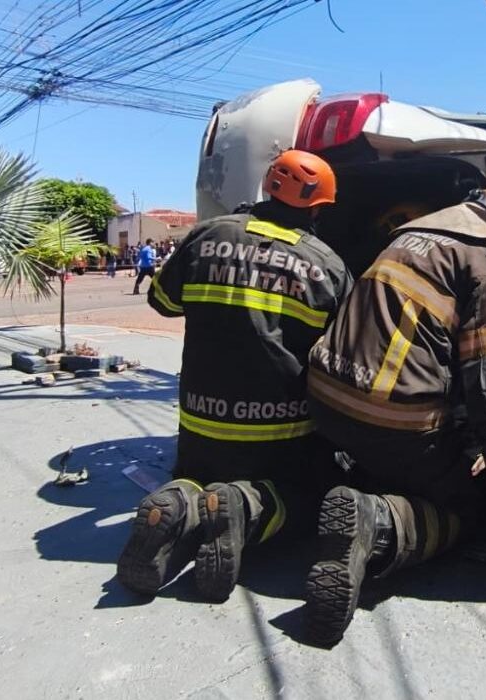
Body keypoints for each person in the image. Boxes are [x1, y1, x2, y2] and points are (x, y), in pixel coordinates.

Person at [302, 189, 486, 644]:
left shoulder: (403, 242)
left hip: (326, 405)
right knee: (471, 507)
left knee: (404, 462)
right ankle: (378, 523)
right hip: (394, 421)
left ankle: (367, 488)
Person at [116, 150, 352, 602]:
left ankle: (181, 499)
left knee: (196, 478)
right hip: (280, 433)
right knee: (310, 495)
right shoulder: (329, 266)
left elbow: (162, 302)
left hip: (202, 422)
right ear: (318, 208)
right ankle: (245, 507)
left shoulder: (208, 234)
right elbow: (342, 353)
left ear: (267, 187)